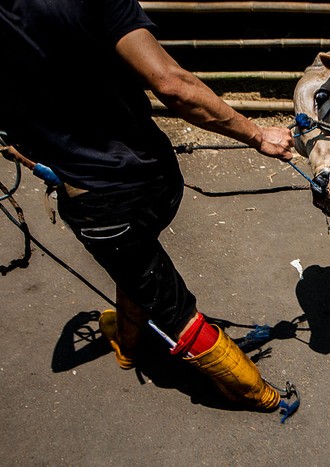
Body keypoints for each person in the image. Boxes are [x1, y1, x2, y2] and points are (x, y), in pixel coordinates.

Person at [0, 0, 294, 411]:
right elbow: (172, 83)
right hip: (156, 178)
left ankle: (262, 395)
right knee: (138, 268)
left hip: (100, 205)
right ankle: (129, 342)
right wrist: (256, 134)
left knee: (173, 309)